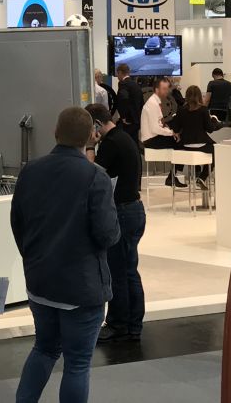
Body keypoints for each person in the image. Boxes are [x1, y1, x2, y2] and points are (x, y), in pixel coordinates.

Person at [11, 107, 120, 403]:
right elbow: (108, 234)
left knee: (44, 349)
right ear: (91, 137)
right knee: (78, 363)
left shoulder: (30, 171)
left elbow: (17, 223)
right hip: (81, 287)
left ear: (55, 132)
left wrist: (33, 258)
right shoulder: (95, 176)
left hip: (40, 283)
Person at [86, 102, 144, 344]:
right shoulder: (124, 138)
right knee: (129, 270)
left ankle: (119, 324)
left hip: (122, 212)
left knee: (118, 271)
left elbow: (92, 175)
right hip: (134, 209)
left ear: (97, 124)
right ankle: (133, 324)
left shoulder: (110, 144)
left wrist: (90, 146)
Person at [169, 85, 221, 186]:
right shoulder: (203, 110)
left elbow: (175, 128)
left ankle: (173, 175)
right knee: (217, 150)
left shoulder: (181, 110)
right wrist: (214, 121)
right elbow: (210, 129)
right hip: (202, 145)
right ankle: (202, 177)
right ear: (199, 96)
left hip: (185, 145)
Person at [139, 77, 182, 188]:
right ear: (157, 89)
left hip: (153, 137)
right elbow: (155, 129)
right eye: (164, 89)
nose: (167, 91)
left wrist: (170, 132)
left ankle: (172, 176)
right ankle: (172, 177)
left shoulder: (155, 102)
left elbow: (160, 125)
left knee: (178, 141)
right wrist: (171, 133)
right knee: (180, 143)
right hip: (151, 140)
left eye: (167, 88)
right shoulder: (152, 104)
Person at [113, 63, 143, 145]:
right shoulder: (136, 85)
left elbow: (123, 99)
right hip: (137, 120)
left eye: (117, 74)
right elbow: (141, 102)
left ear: (120, 72)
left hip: (128, 121)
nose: (117, 77)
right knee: (134, 142)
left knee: (126, 143)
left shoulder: (123, 84)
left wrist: (123, 117)